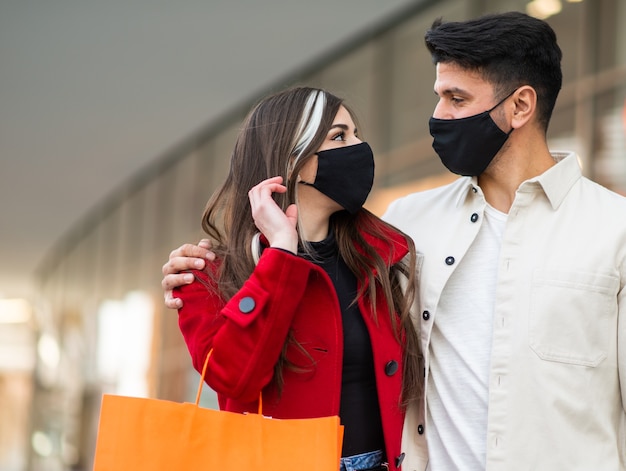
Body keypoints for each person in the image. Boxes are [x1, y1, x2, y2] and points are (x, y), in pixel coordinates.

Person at [163, 11, 626, 471]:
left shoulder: (613, 228)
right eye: (438, 96)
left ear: (520, 106)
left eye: (456, 98)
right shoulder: (406, 226)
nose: (438, 115)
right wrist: (260, 257)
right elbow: (236, 372)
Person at [165, 86, 421, 471]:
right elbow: (233, 377)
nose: (359, 147)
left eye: (355, 134)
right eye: (339, 137)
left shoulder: (384, 257)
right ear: (295, 162)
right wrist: (282, 252)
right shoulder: (204, 275)